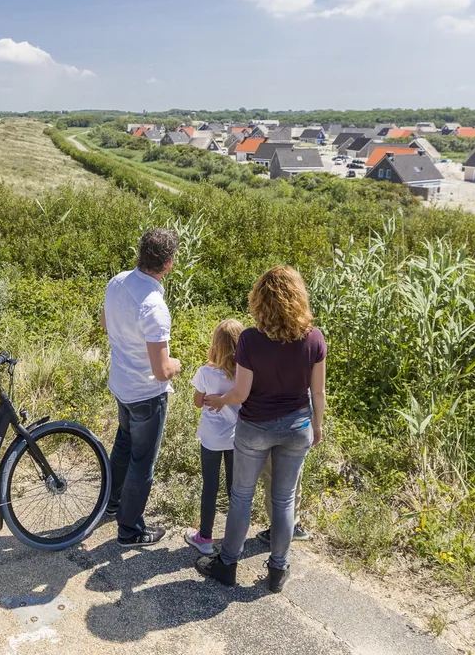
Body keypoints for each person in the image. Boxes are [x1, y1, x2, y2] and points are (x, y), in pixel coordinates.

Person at [196, 266, 326, 593]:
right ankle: (278, 570)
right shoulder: (314, 338)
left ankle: (227, 564)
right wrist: (318, 426)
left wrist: (217, 400)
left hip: (255, 427)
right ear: (298, 297)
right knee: (283, 501)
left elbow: (240, 394)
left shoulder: (251, 340)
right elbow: (318, 392)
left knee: (241, 497)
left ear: (259, 300)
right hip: (297, 426)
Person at [102, 228, 181, 546]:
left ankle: (111, 503)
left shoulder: (117, 281)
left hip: (121, 383)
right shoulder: (155, 308)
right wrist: (176, 363)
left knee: (123, 444)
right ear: (169, 264)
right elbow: (162, 371)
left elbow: (107, 325)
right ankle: (130, 530)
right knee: (142, 461)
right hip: (146, 395)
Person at [183, 319, 245, 555]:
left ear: (215, 345)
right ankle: (233, 539)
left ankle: (205, 537)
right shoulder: (244, 373)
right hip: (235, 437)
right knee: (234, 488)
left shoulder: (205, 372)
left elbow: (198, 402)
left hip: (211, 437)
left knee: (210, 486)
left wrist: (211, 396)